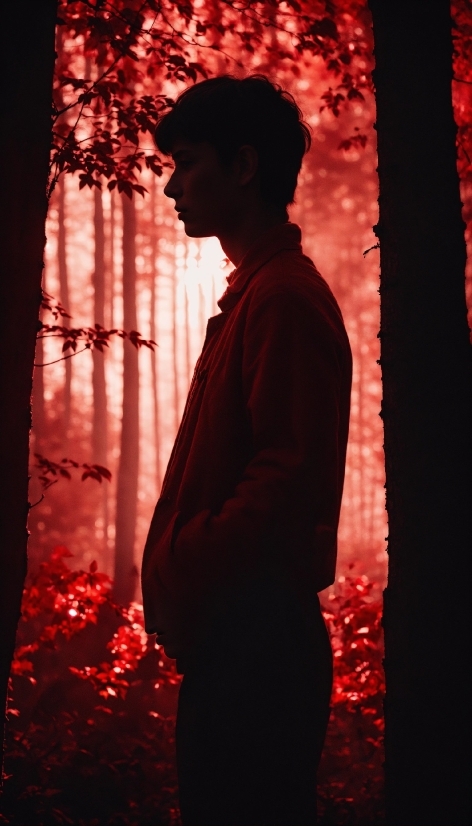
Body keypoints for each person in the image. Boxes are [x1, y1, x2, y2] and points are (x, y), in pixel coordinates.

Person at [141, 75, 352, 826]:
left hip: (257, 648)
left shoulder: (283, 298)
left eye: (187, 163)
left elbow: (284, 474)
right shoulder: (257, 293)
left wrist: (189, 560)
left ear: (244, 166)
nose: (172, 188)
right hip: (239, 643)